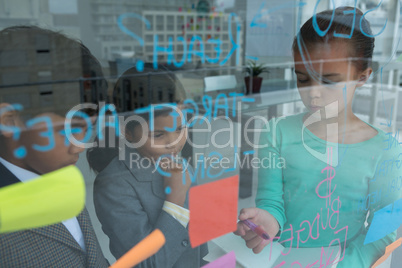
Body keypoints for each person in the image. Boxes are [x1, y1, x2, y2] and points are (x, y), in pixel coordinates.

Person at [235, 7, 401, 267]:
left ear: (363, 77)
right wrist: (268, 221)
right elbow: (271, 200)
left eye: (329, 81)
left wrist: (342, 265)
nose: (313, 94)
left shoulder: (385, 150)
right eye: (302, 79)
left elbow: (384, 231)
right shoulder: (276, 132)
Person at [0, 26, 109, 267]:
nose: (79, 147)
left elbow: (91, 256)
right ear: (10, 121)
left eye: (87, 128)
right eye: (69, 129)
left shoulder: (60, 173)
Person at [88, 65, 208, 268]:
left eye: (180, 128)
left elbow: (196, 240)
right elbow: (147, 264)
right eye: (158, 135)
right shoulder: (113, 186)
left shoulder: (179, 163)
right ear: (127, 132)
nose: (175, 142)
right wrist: (175, 201)